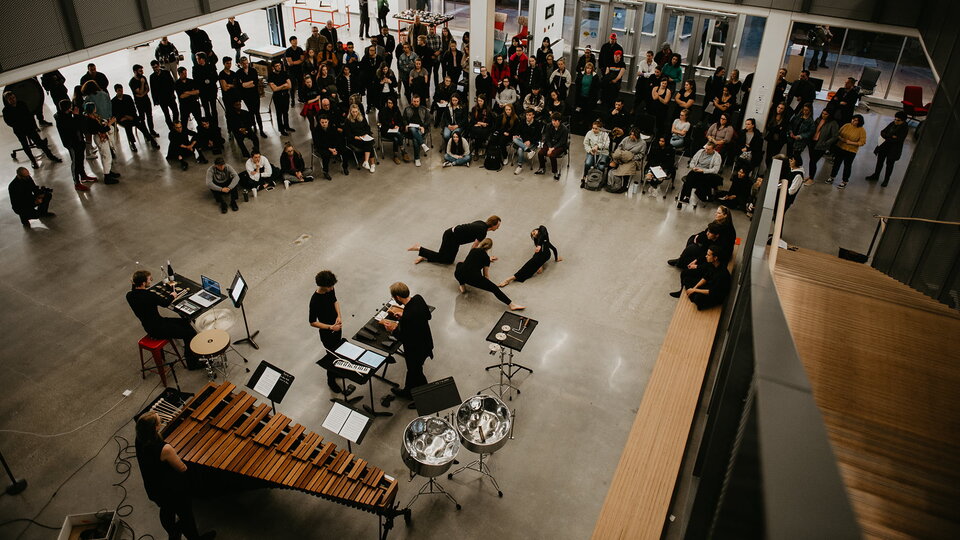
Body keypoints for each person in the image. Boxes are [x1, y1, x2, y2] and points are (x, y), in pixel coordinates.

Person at [135, 411, 216, 540]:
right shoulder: (164, 449)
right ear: (155, 428)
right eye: (159, 421)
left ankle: (173, 532)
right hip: (172, 490)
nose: (161, 422)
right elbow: (182, 468)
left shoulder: (139, 439)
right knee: (186, 515)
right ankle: (194, 538)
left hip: (153, 487)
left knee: (166, 510)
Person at [126, 270, 201, 369]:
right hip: (159, 329)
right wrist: (172, 295)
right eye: (149, 280)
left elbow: (137, 290)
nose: (151, 281)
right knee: (190, 333)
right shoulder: (149, 295)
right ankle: (192, 364)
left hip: (150, 326)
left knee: (185, 321)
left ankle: (189, 348)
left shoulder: (129, 295)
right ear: (143, 283)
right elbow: (165, 303)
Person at [379, 282, 433, 405]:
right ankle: (408, 391)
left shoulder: (408, 318)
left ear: (397, 297)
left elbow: (404, 337)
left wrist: (392, 330)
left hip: (416, 349)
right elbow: (427, 316)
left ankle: (425, 398)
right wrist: (404, 315)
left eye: (393, 297)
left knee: (416, 372)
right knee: (412, 371)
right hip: (426, 342)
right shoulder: (418, 298)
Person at [309, 270, 355, 395]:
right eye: (330, 287)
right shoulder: (315, 301)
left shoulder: (330, 290)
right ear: (322, 286)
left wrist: (339, 316)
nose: (332, 288)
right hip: (327, 333)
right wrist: (330, 327)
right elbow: (312, 322)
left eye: (332, 286)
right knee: (332, 355)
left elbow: (335, 301)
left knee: (339, 351)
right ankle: (331, 380)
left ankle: (337, 372)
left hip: (337, 326)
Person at [455, 239, 526, 310]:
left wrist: (487, 259)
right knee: (494, 288)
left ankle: (462, 285)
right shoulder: (486, 258)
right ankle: (512, 305)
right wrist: (489, 284)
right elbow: (486, 275)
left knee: (460, 264)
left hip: (458, 274)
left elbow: (466, 261)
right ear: (489, 248)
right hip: (472, 279)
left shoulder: (473, 250)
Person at [3, 92, 63, 169]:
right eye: (10, 99)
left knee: (40, 142)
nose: (13, 100)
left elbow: (29, 115)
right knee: (25, 145)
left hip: (29, 127)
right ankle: (33, 161)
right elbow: (9, 122)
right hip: (19, 130)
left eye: (13, 97)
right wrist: (19, 124)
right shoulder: (6, 110)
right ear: (7, 100)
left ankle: (51, 156)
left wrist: (34, 126)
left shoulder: (21, 104)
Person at [409, 215, 501, 265]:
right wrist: (467, 260)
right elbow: (475, 247)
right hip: (451, 236)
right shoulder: (482, 231)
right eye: (498, 225)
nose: (498, 228)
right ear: (493, 225)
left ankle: (425, 255)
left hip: (454, 238)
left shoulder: (481, 223)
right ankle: (420, 249)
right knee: (443, 258)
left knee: (448, 260)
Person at [671, 245, 731, 310]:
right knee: (687, 280)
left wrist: (694, 290)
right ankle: (692, 294)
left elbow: (712, 292)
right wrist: (695, 287)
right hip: (710, 285)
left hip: (715, 294)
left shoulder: (722, 274)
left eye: (708, 255)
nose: (706, 256)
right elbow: (706, 277)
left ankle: (693, 295)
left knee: (698, 298)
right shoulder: (712, 264)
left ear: (715, 258)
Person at [55, 100, 95, 191]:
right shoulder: (61, 118)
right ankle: (76, 182)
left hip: (79, 140)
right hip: (72, 143)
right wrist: (77, 115)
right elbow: (74, 126)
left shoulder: (68, 115)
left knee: (81, 159)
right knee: (75, 162)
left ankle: (83, 176)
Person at [81, 100, 121, 183]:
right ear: (93, 109)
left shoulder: (90, 117)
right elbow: (102, 130)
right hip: (100, 138)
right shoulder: (91, 120)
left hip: (99, 137)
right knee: (107, 157)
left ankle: (108, 172)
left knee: (105, 156)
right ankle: (107, 176)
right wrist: (110, 123)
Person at [111, 85, 159, 153]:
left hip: (131, 116)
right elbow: (115, 113)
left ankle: (151, 139)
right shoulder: (113, 101)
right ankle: (132, 143)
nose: (121, 92)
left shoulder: (128, 97)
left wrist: (131, 116)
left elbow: (133, 108)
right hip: (122, 119)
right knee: (128, 126)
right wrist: (124, 117)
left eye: (121, 90)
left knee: (141, 125)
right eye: (119, 90)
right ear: (116, 91)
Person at [866, 111, 909, 187]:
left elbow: (899, 139)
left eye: (898, 120)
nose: (896, 121)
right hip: (884, 146)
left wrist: (887, 136)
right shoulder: (893, 123)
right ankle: (876, 175)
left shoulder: (905, 127)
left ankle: (886, 180)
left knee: (889, 165)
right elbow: (882, 132)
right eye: (895, 119)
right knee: (879, 162)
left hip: (893, 150)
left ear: (903, 121)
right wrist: (891, 136)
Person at [678, 141, 723, 207]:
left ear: (713, 149)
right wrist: (693, 167)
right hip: (696, 171)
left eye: (708, 149)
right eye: (706, 148)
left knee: (688, 180)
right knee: (691, 175)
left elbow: (715, 170)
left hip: (706, 174)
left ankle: (685, 198)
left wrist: (703, 170)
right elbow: (692, 162)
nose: (706, 150)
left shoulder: (717, 156)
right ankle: (686, 198)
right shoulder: (700, 152)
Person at [828, 114, 866, 189]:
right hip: (840, 147)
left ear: (859, 122)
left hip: (851, 151)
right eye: (853, 119)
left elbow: (862, 142)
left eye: (856, 120)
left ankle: (844, 181)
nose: (853, 121)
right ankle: (832, 177)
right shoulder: (846, 125)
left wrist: (851, 142)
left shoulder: (861, 130)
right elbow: (837, 134)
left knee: (847, 166)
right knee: (836, 163)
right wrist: (842, 139)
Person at [237, 57, 265, 137]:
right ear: (241, 64)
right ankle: (254, 127)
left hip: (255, 94)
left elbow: (255, 82)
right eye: (244, 64)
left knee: (257, 112)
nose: (246, 65)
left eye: (247, 63)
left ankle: (261, 130)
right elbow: (240, 85)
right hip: (246, 96)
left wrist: (245, 84)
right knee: (251, 112)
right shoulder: (239, 72)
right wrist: (247, 84)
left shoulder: (253, 70)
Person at [537, 113, 569, 180]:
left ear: (559, 121)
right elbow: (547, 138)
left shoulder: (565, 129)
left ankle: (555, 172)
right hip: (550, 144)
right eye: (552, 120)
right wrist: (549, 147)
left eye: (555, 121)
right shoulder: (549, 126)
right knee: (540, 153)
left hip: (559, 146)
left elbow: (562, 142)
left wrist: (552, 149)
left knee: (552, 155)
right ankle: (542, 168)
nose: (553, 122)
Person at [129, 65, 158, 137]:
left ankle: (151, 130)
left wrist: (142, 94)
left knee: (149, 116)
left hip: (146, 100)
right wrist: (142, 83)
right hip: (139, 102)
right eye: (140, 71)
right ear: (135, 72)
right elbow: (140, 91)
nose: (142, 72)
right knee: (142, 117)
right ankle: (146, 133)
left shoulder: (143, 77)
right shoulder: (132, 82)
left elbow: (147, 89)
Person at [344, 104, 376, 172]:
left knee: (368, 142)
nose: (355, 113)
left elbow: (367, 127)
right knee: (369, 144)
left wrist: (365, 134)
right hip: (355, 139)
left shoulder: (362, 117)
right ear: (350, 111)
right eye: (353, 112)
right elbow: (347, 134)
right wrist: (356, 137)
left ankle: (366, 162)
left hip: (364, 137)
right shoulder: (348, 121)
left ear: (358, 111)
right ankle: (372, 164)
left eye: (356, 111)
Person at [378, 96, 409, 164]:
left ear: (394, 103)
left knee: (396, 138)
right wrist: (393, 126)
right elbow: (383, 122)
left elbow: (400, 119)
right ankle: (402, 150)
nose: (389, 104)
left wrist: (398, 125)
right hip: (386, 131)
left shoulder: (396, 109)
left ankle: (395, 156)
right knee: (398, 134)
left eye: (391, 103)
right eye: (388, 103)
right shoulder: (383, 110)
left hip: (396, 130)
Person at [403, 94, 431, 167]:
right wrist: (406, 124)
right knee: (412, 129)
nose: (416, 103)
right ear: (412, 101)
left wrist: (423, 126)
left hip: (420, 128)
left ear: (419, 101)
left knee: (415, 139)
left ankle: (417, 159)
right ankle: (422, 144)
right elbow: (404, 119)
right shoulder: (407, 109)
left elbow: (428, 120)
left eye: (417, 101)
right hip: (410, 128)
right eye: (414, 101)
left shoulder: (424, 109)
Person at [150, 61, 179, 127]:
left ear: (159, 66)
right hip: (161, 99)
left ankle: (176, 123)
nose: (155, 69)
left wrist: (172, 93)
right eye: (153, 68)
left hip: (170, 96)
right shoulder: (152, 77)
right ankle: (171, 127)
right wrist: (155, 100)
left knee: (175, 111)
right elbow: (153, 89)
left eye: (156, 67)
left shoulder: (166, 73)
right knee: (166, 114)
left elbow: (172, 84)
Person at [192, 53, 219, 125]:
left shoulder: (211, 66)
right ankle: (210, 124)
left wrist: (209, 81)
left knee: (214, 109)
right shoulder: (195, 68)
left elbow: (215, 77)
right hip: (203, 92)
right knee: (206, 109)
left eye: (198, 59)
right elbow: (196, 80)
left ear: (203, 59)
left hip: (212, 90)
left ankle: (215, 124)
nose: (197, 60)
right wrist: (204, 82)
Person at [267, 61, 293, 135]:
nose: (279, 67)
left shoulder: (284, 73)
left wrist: (279, 87)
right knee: (279, 114)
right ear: (273, 67)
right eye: (277, 66)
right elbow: (274, 89)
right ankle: (281, 130)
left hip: (285, 95)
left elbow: (289, 85)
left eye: (279, 65)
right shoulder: (271, 76)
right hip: (277, 97)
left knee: (285, 112)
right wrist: (283, 86)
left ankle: (287, 126)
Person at [512, 110, 542, 175]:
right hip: (523, 141)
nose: (528, 117)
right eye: (527, 115)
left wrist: (530, 141)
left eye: (530, 115)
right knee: (514, 139)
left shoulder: (537, 124)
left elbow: (538, 137)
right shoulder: (522, 122)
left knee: (520, 149)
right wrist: (517, 135)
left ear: (533, 115)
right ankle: (529, 151)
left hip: (532, 142)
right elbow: (517, 130)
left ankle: (519, 166)